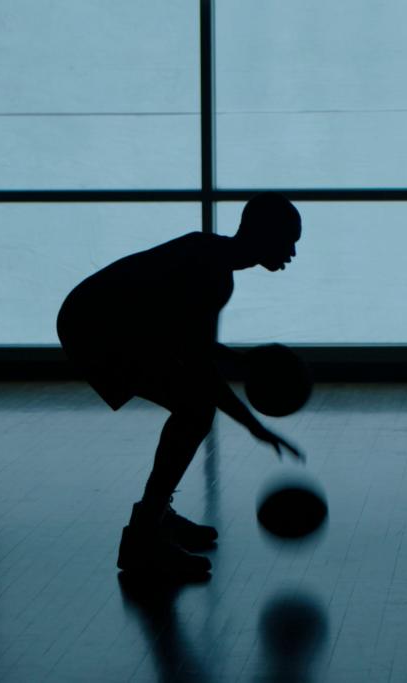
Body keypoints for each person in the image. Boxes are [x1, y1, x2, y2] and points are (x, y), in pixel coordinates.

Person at [57, 192, 304, 580]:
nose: (292, 251)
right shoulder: (211, 272)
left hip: (95, 320)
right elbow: (199, 365)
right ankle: (143, 539)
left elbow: (191, 344)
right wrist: (254, 426)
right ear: (262, 233)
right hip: (95, 329)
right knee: (195, 409)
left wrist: (241, 363)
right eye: (289, 240)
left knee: (194, 405)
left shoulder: (211, 258)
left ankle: (156, 517)